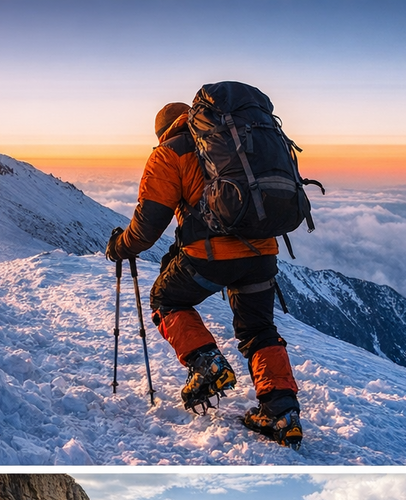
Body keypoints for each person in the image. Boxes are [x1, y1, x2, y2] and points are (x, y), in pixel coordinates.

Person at [106, 101, 303, 448]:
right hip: (262, 253)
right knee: (259, 330)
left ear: (161, 130)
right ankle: (281, 413)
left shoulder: (170, 153)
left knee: (166, 299)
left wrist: (121, 247)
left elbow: (148, 224)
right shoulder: (238, 141)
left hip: (211, 258)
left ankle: (206, 363)